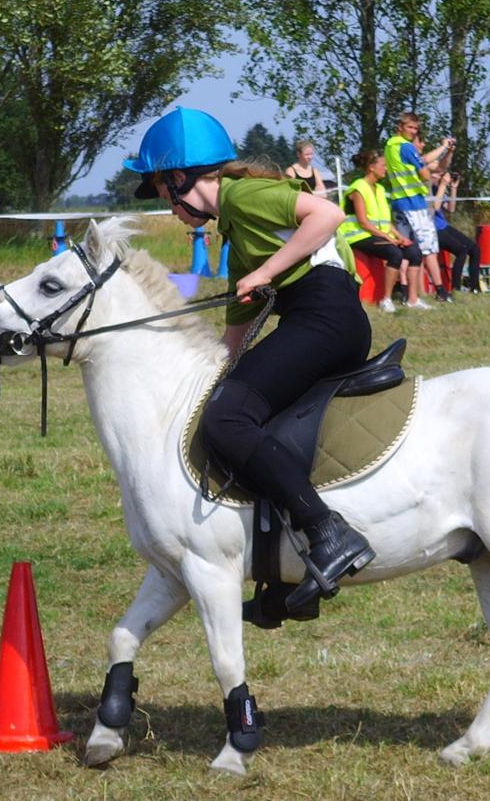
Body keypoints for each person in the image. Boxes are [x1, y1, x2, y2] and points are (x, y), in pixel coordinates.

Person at [124, 106, 375, 612]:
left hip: (325, 317)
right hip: (318, 320)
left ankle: (328, 533)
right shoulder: (235, 230)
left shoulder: (243, 195)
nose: (169, 209)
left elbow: (328, 215)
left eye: (161, 193)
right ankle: (285, 571)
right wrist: (212, 373)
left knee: (229, 418)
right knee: (240, 408)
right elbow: (237, 330)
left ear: (179, 179)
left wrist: (265, 275)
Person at [339, 149, 428, 312]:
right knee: (394, 254)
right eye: (383, 165)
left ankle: (413, 299)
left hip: (376, 235)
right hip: (357, 236)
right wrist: (389, 239)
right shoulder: (358, 188)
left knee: (414, 252)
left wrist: (400, 237)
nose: (386, 169)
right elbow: (364, 222)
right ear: (371, 168)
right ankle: (386, 299)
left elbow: (386, 222)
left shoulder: (379, 189)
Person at [384, 113, 454, 302]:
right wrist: (442, 149)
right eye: (410, 128)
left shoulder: (390, 145)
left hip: (398, 202)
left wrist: (442, 151)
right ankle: (441, 290)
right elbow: (424, 173)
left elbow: (425, 164)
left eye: (415, 129)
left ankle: (406, 291)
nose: (413, 132)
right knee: (428, 247)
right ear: (401, 126)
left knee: (406, 248)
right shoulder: (407, 147)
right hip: (414, 203)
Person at [430, 168, 481, 293]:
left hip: (443, 226)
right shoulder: (427, 190)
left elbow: (451, 208)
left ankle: (474, 287)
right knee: (461, 251)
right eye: (438, 174)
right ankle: (456, 288)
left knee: (475, 249)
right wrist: (442, 185)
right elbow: (435, 207)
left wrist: (453, 188)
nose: (441, 177)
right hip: (432, 228)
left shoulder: (439, 189)